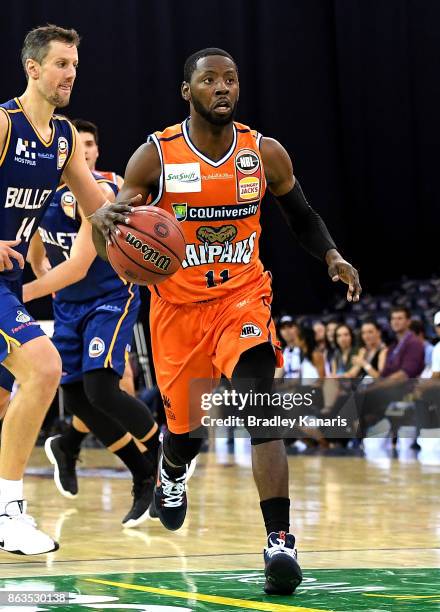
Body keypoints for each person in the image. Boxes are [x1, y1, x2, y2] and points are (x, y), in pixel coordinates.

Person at [95, 47, 361, 595]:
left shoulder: (263, 153)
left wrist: (331, 255)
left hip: (242, 299)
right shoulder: (156, 157)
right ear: (187, 91)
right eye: (210, 80)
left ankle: (280, 539)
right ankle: (172, 468)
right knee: (188, 431)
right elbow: (115, 232)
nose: (223, 88)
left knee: (260, 405)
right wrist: (108, 230)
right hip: (177, 311)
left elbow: (301, 215)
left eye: (231, 80)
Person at [0, 24, 132, 555]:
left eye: (74, 65)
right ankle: (9, 514)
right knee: (46, 366)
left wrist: (156, 235)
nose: (70, 74)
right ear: (33, 68)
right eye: (60, 64)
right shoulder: (4, 124)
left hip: (8, 280)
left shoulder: (63, 138)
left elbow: (99, 209)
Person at [23, 158, 159, 528]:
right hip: (68, 305)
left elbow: (80, 265)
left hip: (109, 298)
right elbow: (36, 249)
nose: (83, 156)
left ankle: (163, 462)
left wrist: (21, 294)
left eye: (89, 147)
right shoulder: (37, 196)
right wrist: (41, 274)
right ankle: (136, 470)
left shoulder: (104, 191)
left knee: (105, 386)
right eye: (77, 148)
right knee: (79, 396)